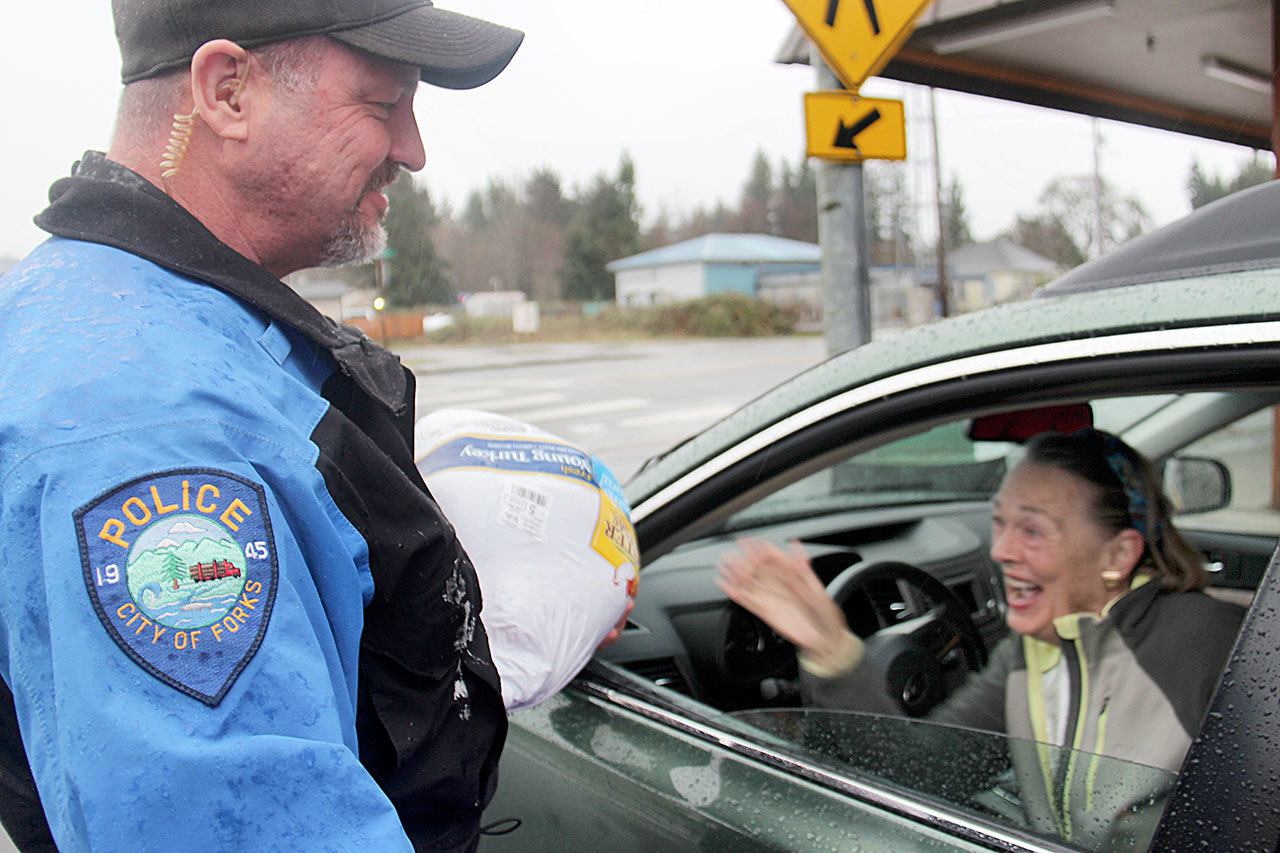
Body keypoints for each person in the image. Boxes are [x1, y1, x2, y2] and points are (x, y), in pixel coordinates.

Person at [0, 3, 525, 850]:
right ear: (227, 91)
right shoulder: (144, 418)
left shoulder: (159, 317)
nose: (414, 149)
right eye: (383, 102)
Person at [718, 429, 1244, 841]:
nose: (1002, 551)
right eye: (1001, 523)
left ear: (1118, 556)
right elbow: (923, 774)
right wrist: (833, 651)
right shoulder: (1028, 654)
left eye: (1033, 530)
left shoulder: (1209, 645)